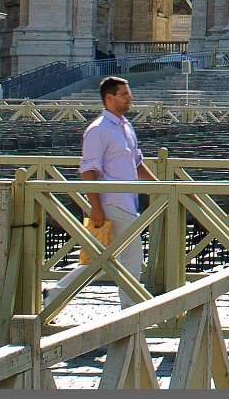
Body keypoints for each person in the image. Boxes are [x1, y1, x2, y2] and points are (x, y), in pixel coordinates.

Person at [44, 77, 154, 310]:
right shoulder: (98, 130)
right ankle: (131, 311)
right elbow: (88, 170)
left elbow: (136, 163)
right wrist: (95, 207)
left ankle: (54, 294)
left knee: (100, 260)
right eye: (124, 94)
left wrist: (160, 188)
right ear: (109, 97)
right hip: (111, 202)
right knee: (131, 257)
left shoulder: (126, 126)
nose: (130, 98)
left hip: (127, 201)